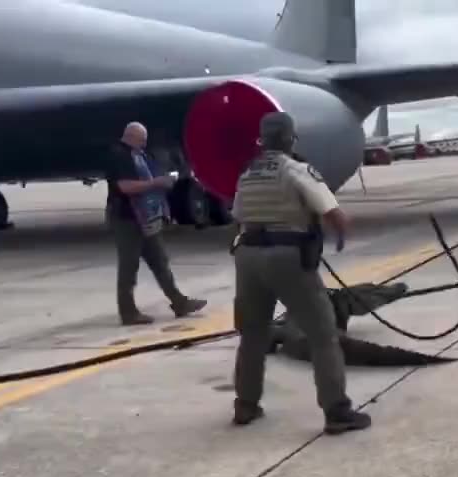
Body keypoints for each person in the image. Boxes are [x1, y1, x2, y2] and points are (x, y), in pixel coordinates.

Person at [228, 111, 372, 435]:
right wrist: (334, 235)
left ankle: (245, 405)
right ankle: (337, 411)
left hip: (248, 257)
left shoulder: (247, 173)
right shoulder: (296, 169)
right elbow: (334, 213)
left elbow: (238, 215)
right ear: (291, 138)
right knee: (323, 335)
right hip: (287, 259)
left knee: (252, 335)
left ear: (261, 140)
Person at [104, 122, 207, 325]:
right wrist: (156, 183)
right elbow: (125, 187)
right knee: (129, 266)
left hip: (146, 217)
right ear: (131, 136)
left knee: (160, 261)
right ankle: (128, 312)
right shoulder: (119, 156)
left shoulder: (139, 155)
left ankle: (179, 302)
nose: (144, 143)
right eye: (142, 139)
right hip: (126, 219)